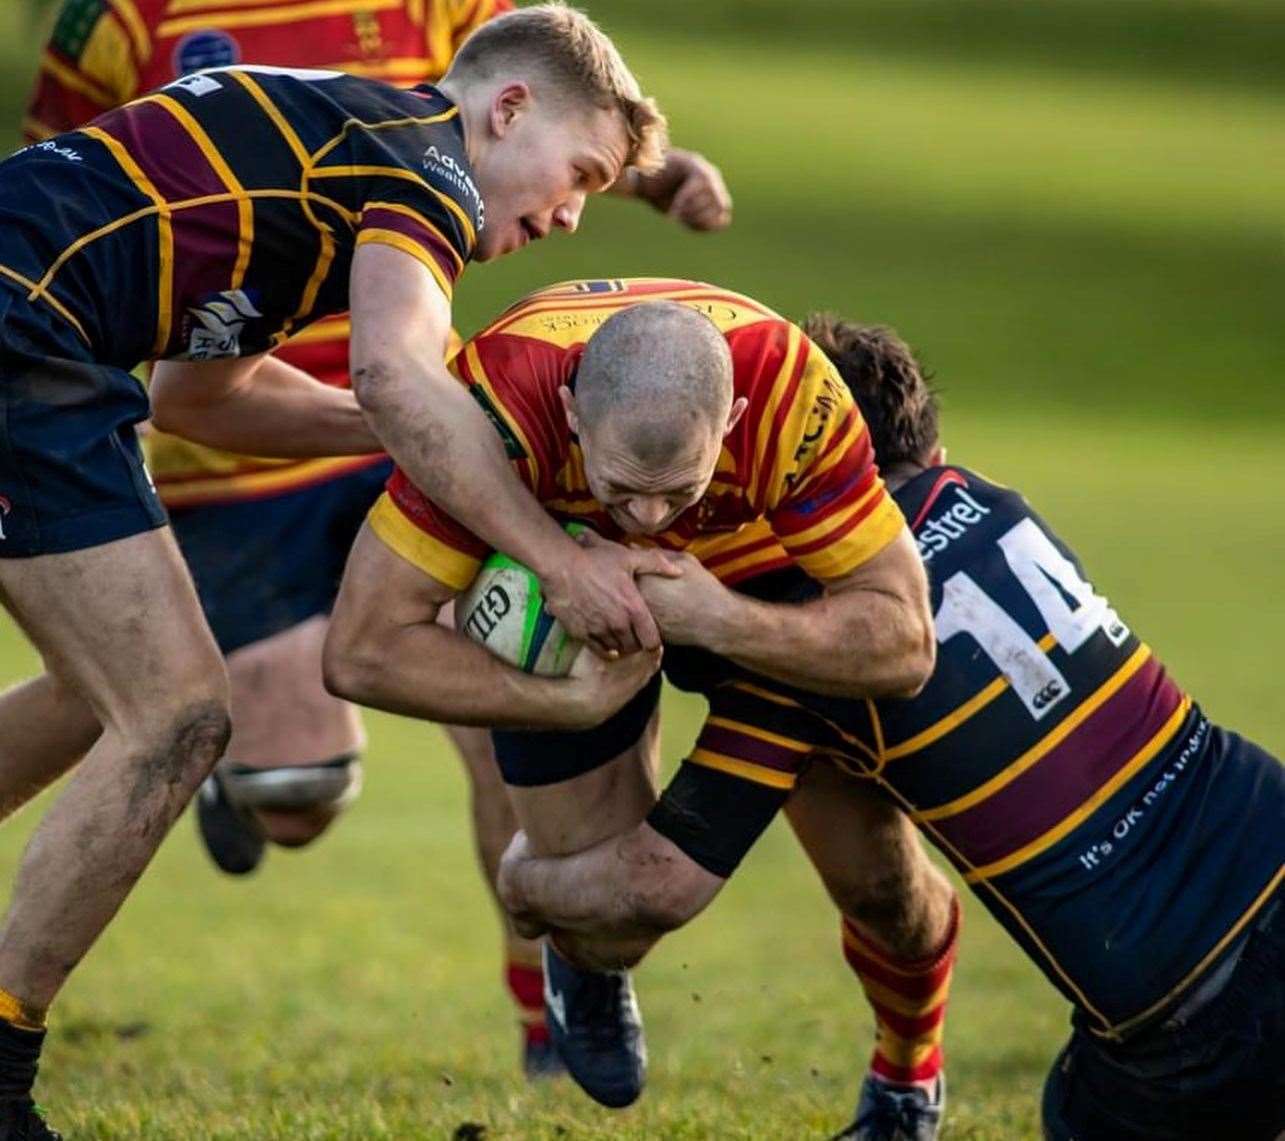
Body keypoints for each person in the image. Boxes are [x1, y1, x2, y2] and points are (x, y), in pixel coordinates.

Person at [21, 0, 732, 1077]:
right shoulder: (423, 164)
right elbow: (392, 369)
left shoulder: (326, 161)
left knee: (102, 692)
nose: (574, 215)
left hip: (47, 350)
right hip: (28, 339)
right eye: (580, 176)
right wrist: (557, 554)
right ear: (505, 111)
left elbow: (200, 402)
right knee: (174, 715)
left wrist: (439, 429)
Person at [498, 317, 1285, 1140]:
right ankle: (906, 1089)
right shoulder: (994, 503)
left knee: (1081, 1112)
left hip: (1187, 1014)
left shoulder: (811, 650)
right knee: (882, 881)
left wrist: (526, 887)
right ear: (930, 449)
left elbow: (660, 879)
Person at [323, 278, 952, 1119]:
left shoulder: (791, 396)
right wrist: (569, 700)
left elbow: (906, 641)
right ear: (571, 416)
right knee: (611, 922)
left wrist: (717, 617)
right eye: (622, 489)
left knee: (878, 884)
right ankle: (572, 955)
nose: (651, 518)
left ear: (728, 426)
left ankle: (906, 1076)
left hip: (765, 598)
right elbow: (360, 652)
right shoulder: (491, 410)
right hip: (574, 622)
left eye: (680, 490)